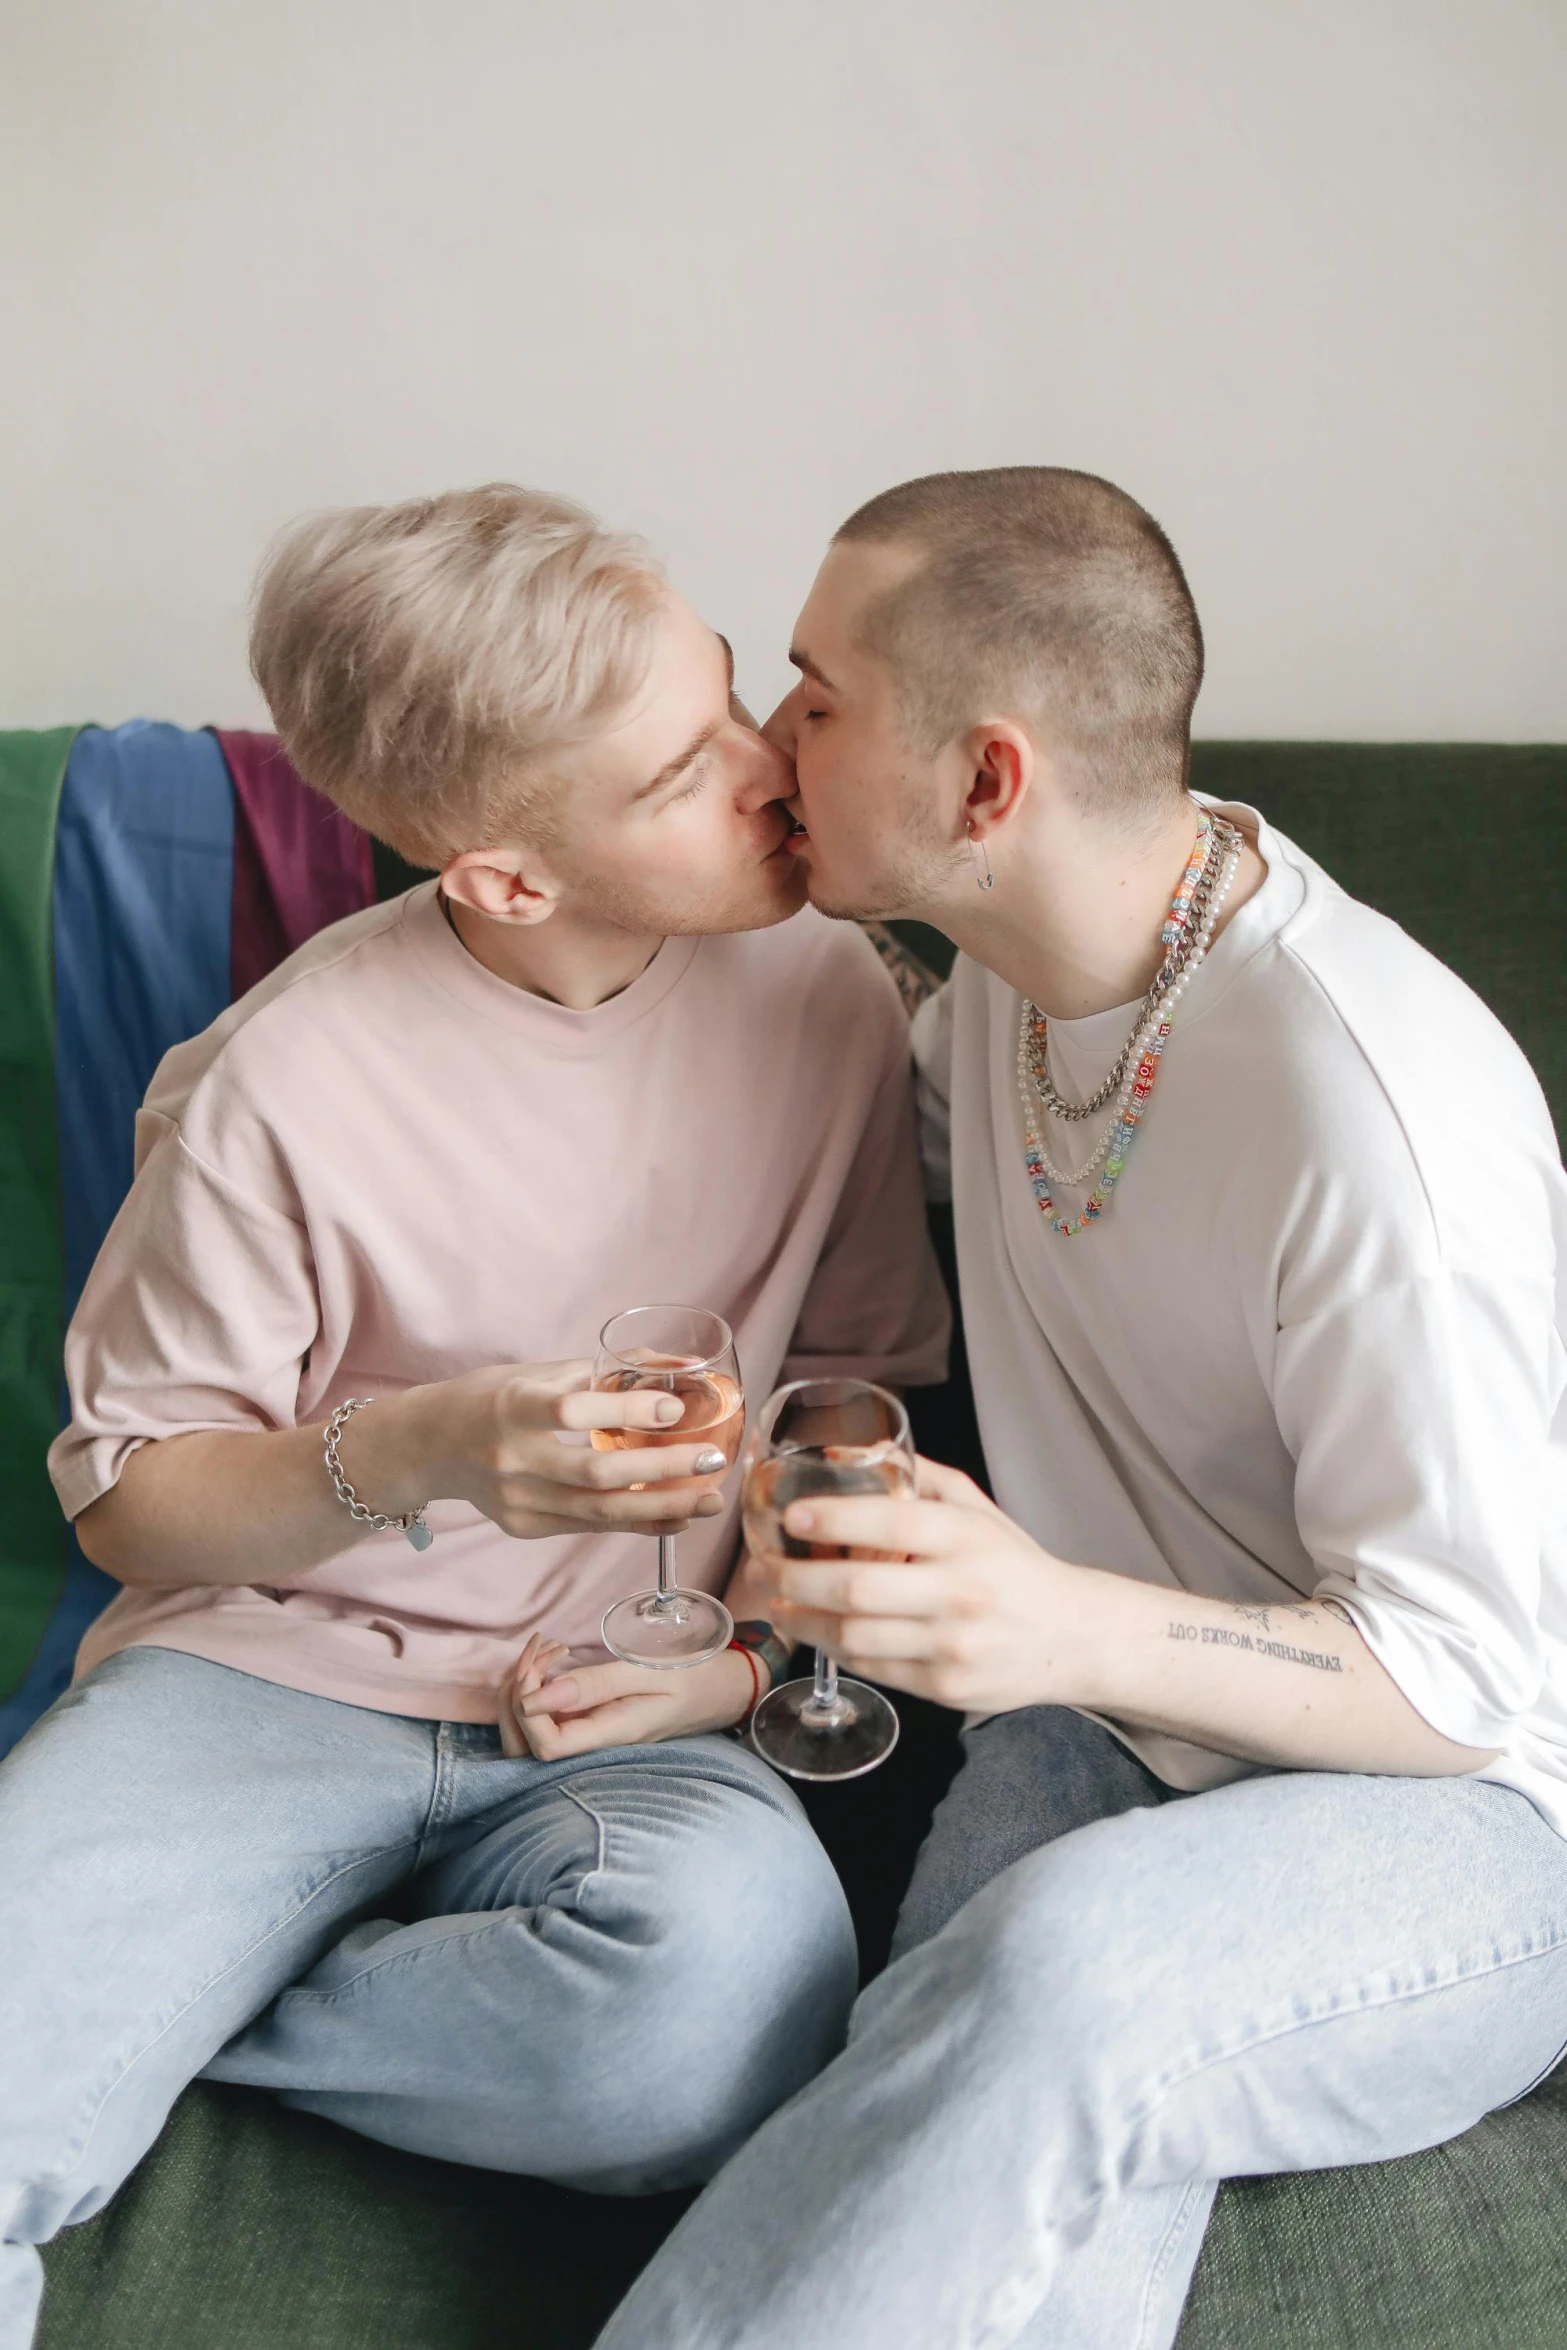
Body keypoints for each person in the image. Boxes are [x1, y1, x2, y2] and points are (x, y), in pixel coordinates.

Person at [593, 466, 1567, 2350]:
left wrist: (1044, 1620)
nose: (770, 737)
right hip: (1120, 1734)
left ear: (985, 782)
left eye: (813, 691)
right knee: (958, 2060)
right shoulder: (1013, 989)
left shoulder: (1373, 1123)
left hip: (1488, 1813)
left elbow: (1471, 1685)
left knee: (1052, 1976)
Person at [0, 484, 949, 2350]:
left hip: (629, 1710)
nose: (772, 769)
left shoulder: (833, 994)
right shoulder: (275, 1085)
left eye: (738, 700)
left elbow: (864, 1416)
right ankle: (136, 1970)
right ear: (506, 874)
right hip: (257, 1688)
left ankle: (204, 1997)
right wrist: (430, 1448)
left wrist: (747, 1663)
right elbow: (129, 1502)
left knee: (727, 2019)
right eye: (685, 772)